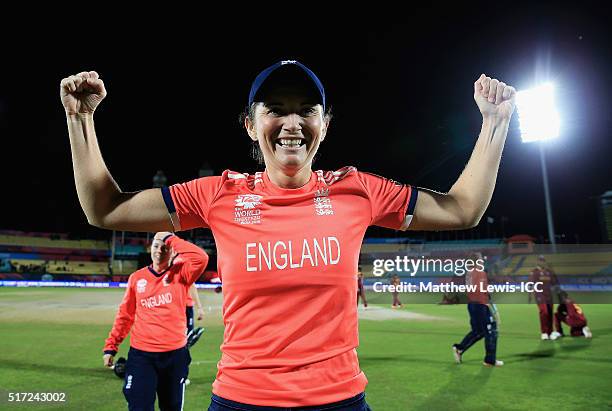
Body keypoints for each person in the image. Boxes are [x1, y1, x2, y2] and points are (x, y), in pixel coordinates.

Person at [61, 61, 516, 409]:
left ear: (326, 124)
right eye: (276, 110)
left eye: (307, 111)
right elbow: (106, 208)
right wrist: (80, 120)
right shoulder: (219, 193)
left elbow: (463, 209)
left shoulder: (358, 190)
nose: (293, 123)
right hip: (242, 399)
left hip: (340, 399)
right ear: (250, 124)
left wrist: (495, 123)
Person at [102, 232, 209, 410]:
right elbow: (125, 315)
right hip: (142, 356)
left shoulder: (181, 273)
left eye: (165, 247)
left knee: (171, 407)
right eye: (156, 245)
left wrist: (170, 239)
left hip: (174, 356)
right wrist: (111, 346)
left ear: (174, 252)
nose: (160, 250)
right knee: (139, 406)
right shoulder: (137, 278)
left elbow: (201, 257)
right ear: (150, 248)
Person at [452, 253, 503, 367]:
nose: (483, 261)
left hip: (472, 305)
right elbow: (483, 291)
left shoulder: (469, 273)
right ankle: (490, 360)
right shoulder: (480, 272)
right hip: (481, 305)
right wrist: (492, 308)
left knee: (478, 331)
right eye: (481, 259)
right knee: (491, 331)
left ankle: (459, 348)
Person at [528, 255, 560, 340]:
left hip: (549, 295)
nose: (542, 262)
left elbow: (555, 283)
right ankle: (544, 332)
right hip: (540, 296)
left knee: (550, 313)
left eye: (543, 260)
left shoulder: (549, 272)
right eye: (540, 260)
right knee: (544, 312)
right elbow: (530, 285)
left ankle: (550, 332)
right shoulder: (534, 272)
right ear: (537, 262)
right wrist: (529, 295)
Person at [186, 283, 205, 348]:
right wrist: (199, 308)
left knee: (186, 338)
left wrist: (199, 308)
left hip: (185, 306)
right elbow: (192, 286)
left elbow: (192, 286)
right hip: (183, 306)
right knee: (187, 338)